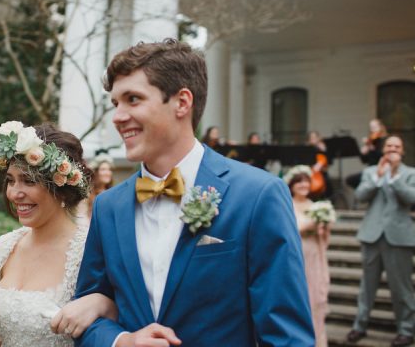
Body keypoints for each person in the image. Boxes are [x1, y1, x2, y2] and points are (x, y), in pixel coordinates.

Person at [75, 39, 314, 346]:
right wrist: (121, 340)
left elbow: (287, 337)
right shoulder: (108, 206)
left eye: (133, 99)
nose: (118, 117)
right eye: (116, 103)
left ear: (182, 102)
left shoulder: (258, 195)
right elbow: (87, 314)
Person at [0, 122, 117, 347]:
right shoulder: (7, 245)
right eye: (11, 180)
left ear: (61, 186)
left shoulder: (90, 250)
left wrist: (105, 304)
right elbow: (6, 330)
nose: (15, 193)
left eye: (29, 181)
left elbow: (115, 323)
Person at [346, 135, 415, 347]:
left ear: (402, 151)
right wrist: (378, 176)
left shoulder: (411, 173)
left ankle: (405, 329)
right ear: (383, 149)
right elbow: (360, 196)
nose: (392, 149)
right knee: (367, 286)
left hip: (399, 237)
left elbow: (412, 198)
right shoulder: (369, 172)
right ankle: (359, 325)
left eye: (397, 146)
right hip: (371, 235)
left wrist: (394, 176)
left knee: (401, 287)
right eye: (389, 145)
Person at [285, 166, 331, 347]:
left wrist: (324, 228)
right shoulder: (287, 204)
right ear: (292, 185)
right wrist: (307, 226)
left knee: (315, 297)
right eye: (299, 182)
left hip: (313, 254)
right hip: (296, 255)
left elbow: (325, 240)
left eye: (306, 181)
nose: (304, 185)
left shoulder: (316, 206)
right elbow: (287, 232)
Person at [346, 119, 388, 189]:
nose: (373, 130)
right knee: (350, 180)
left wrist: (372, 148)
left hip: (381, 170)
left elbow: (382, 156)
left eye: (375, 127)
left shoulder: (385, 140)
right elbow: (364, 161)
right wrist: (362, 153)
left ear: (381, 127)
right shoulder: (372, 141)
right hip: (369, 170)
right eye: (371, 128)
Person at [86, 152, 115, 218]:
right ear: (96, 172)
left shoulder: (114, 193)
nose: (107, 173)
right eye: (103, 169)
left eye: (109, 169)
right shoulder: (89, 193)